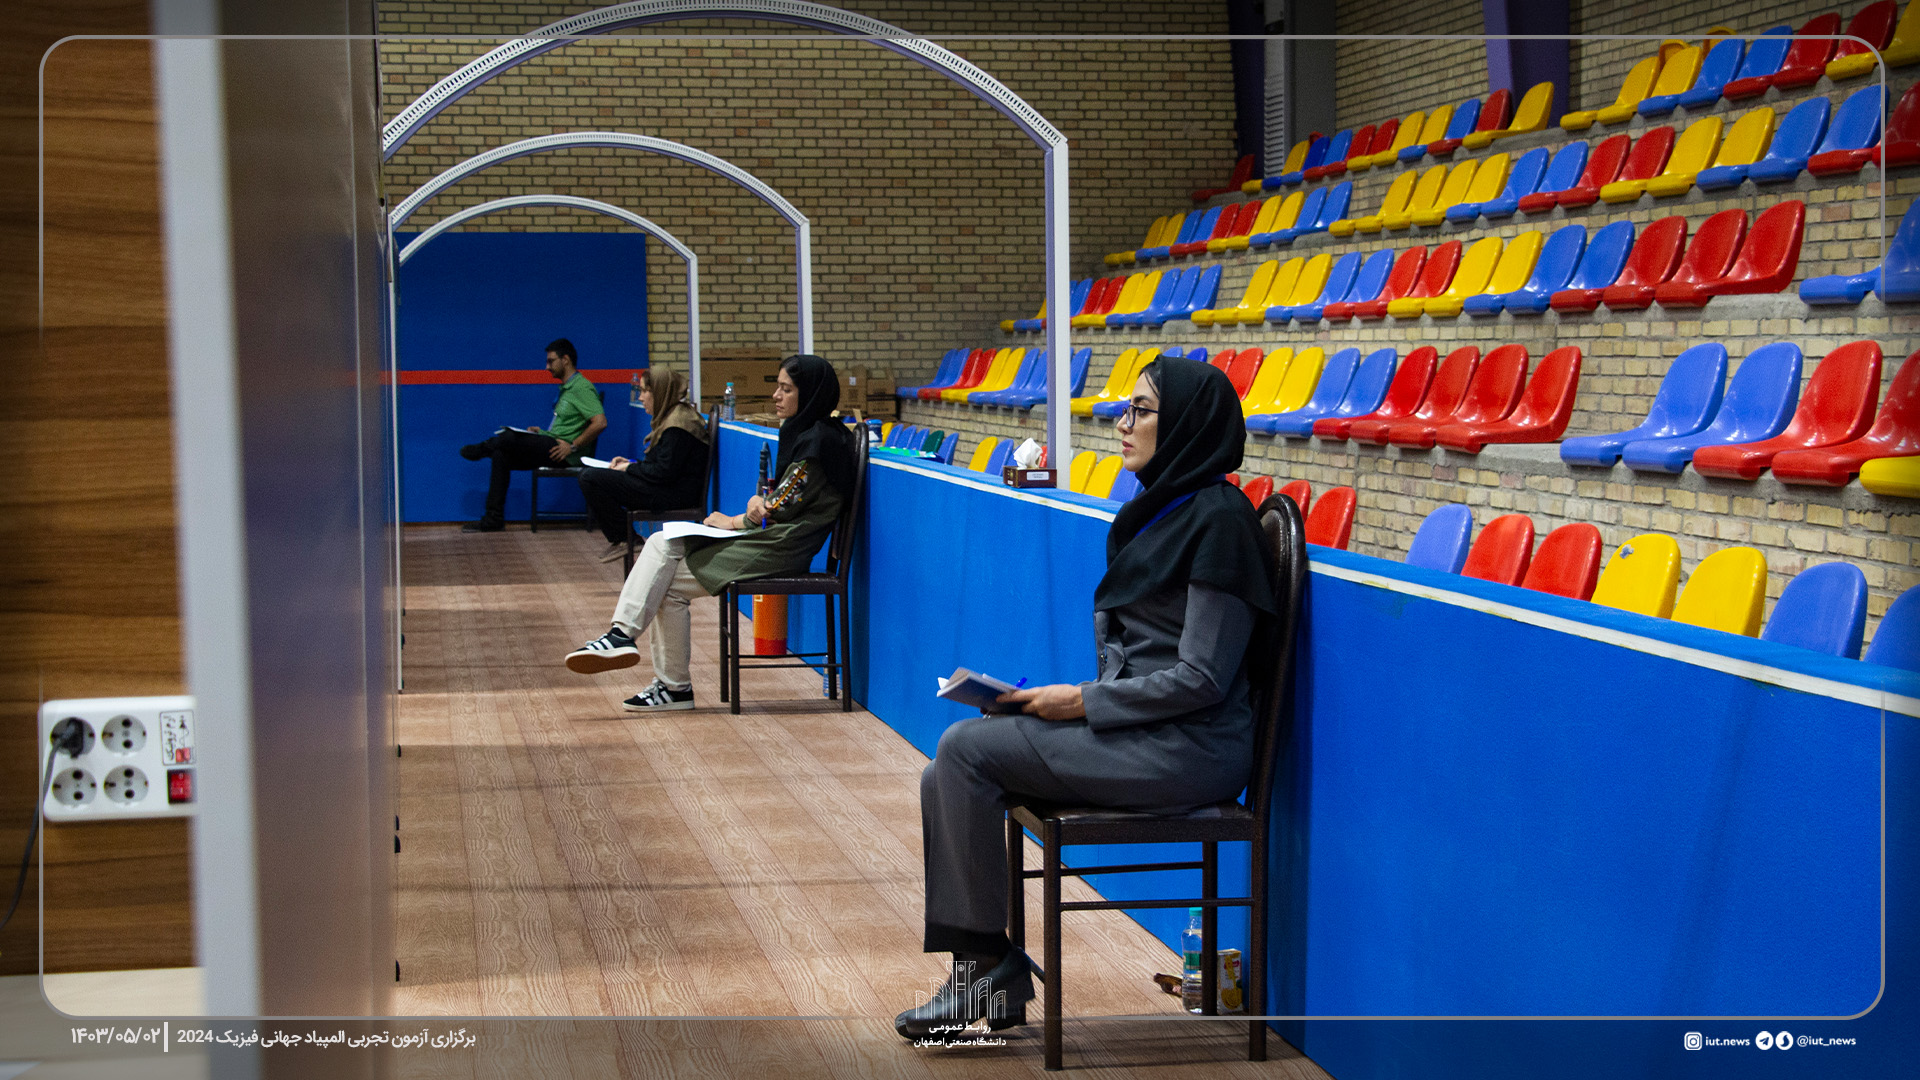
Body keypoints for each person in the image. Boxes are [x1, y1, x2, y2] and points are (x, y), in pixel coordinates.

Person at [894, 357, 1279, 1039]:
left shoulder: (1220, 523)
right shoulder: (1163, 511)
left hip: (1191, 751)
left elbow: (1202, 677)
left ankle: (987, 972)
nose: (1122, 422)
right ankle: (985, 970)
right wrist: (1049, 701)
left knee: (962, 751)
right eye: (1125, 408)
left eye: (1141, 410)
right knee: (944, 772)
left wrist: (1081, 702)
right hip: (1144, 733)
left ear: (1187, 424)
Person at [562, 354, 856, 712]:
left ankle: (657, 672)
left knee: (663, 579)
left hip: (781, 546)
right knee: (661, 550)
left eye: (787, 389)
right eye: (777, 387)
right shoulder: (810, 433)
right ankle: (629, 645)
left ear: (809, 393)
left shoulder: (818, 443)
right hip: (773, 537)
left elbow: (779, 507)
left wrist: (734, 520)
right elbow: (778, 501)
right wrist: (757, 504)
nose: (776, 396)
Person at [457, 338, 607, 532]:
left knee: (508, 437)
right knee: (500, 455)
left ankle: (482, 448)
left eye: (551, 361)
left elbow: (600, 422)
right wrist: (541, 432)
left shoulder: (582, 387)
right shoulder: (567, 389)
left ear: (565, 360)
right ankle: (493, 519)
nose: (547, 367)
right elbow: (567, 427)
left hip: (564, 452)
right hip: (554, 445)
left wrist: (572, 446)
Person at [578, 367, 710, 563]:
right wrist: (630, 463)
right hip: (664, 488)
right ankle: (624, 537)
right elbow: (662, 465)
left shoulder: (678, 425)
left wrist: (629, 469)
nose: (640, 397)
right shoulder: (673, 417)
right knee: (592, 476)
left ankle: (625, 538)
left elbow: (663, 472)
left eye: (644, 391)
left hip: (673, 495)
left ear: (660, 392)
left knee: (590, 478)